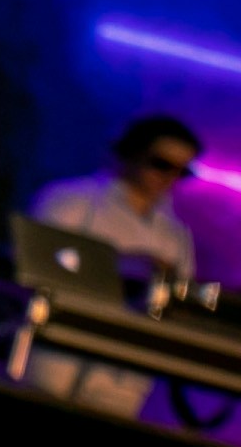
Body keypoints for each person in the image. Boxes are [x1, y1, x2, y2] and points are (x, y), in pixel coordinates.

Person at [26, 112, 200, 418]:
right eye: (161, 164)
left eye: (182, 171)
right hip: (59, 354)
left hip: (124, 373)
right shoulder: (70, 200)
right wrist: (125, 265)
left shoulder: (176, 236)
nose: (170, 177)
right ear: (132, 153)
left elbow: (179, 306)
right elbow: (40, 265)